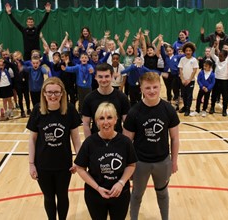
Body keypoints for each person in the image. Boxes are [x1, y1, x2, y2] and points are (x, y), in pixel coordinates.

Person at [123, 72, 180, 220]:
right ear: (141, 88)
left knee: (162, 194)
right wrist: (128, 165)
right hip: (140, 163)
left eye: (155, 87)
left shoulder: (168, 110)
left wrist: (174, 161)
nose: (152, 91)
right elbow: (127, 142)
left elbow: (175, 138)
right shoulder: (134, 111)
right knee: (136, 195)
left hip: (163, 162)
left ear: (160, 87)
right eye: (148, 88)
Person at [26, 77, 81, 220]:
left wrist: (78, 160)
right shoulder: (37, 110)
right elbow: (32, 139)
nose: (53, 96)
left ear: (62, 93)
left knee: (62, 196)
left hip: (64, 164)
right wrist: (31, 164)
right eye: (49, 92)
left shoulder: (69, 110)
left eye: (57, 92)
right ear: (44, 93)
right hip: (43, 164)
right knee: (49, 198)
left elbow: (76, 138)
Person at [75, 102, 137, 220]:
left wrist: (121, 183)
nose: (106, 122)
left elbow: (131, 164)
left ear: (115, 120)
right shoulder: (89, 143)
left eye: (109, 117)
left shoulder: (125, 142)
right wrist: (97, 188)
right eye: (101, 118)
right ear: (96, 121)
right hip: (95, 194)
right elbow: (80, 168)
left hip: (120, 194)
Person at [82, 63, 130, 138]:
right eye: (100, 77)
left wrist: (124, 144)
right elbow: (86, 124)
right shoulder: (89, 98)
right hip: (96, 142)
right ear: (95, 77)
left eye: (107, 76)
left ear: (112, 76)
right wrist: (89, 144)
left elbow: (127, 125)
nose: (103, 80)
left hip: (117, 141)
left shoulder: (122, 97)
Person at [209, 40, 228, 116]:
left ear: (225, 56)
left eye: (221, 56)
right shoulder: (217, 60)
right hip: (216, 80)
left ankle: (224, 110)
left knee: (225, 96)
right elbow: (212, 54)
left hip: (224, 81)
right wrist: (214, 46)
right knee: (214, 94)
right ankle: (212, 107)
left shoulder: (227, 62)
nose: (219, 57)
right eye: (219, 55)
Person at [178, 42, 199, 116]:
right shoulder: (182, 59)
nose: (188, 52)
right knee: (183, 94)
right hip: (183, 81)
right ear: (184, 51)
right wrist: (182, 79)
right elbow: (180, 70)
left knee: (189, 95)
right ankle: (184, 106)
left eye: (190, 50)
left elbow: (194, 71)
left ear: (192, 51)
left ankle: (188, 109)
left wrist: (189, 80)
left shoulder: (194, 60)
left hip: (191, 81)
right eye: (186, 50)